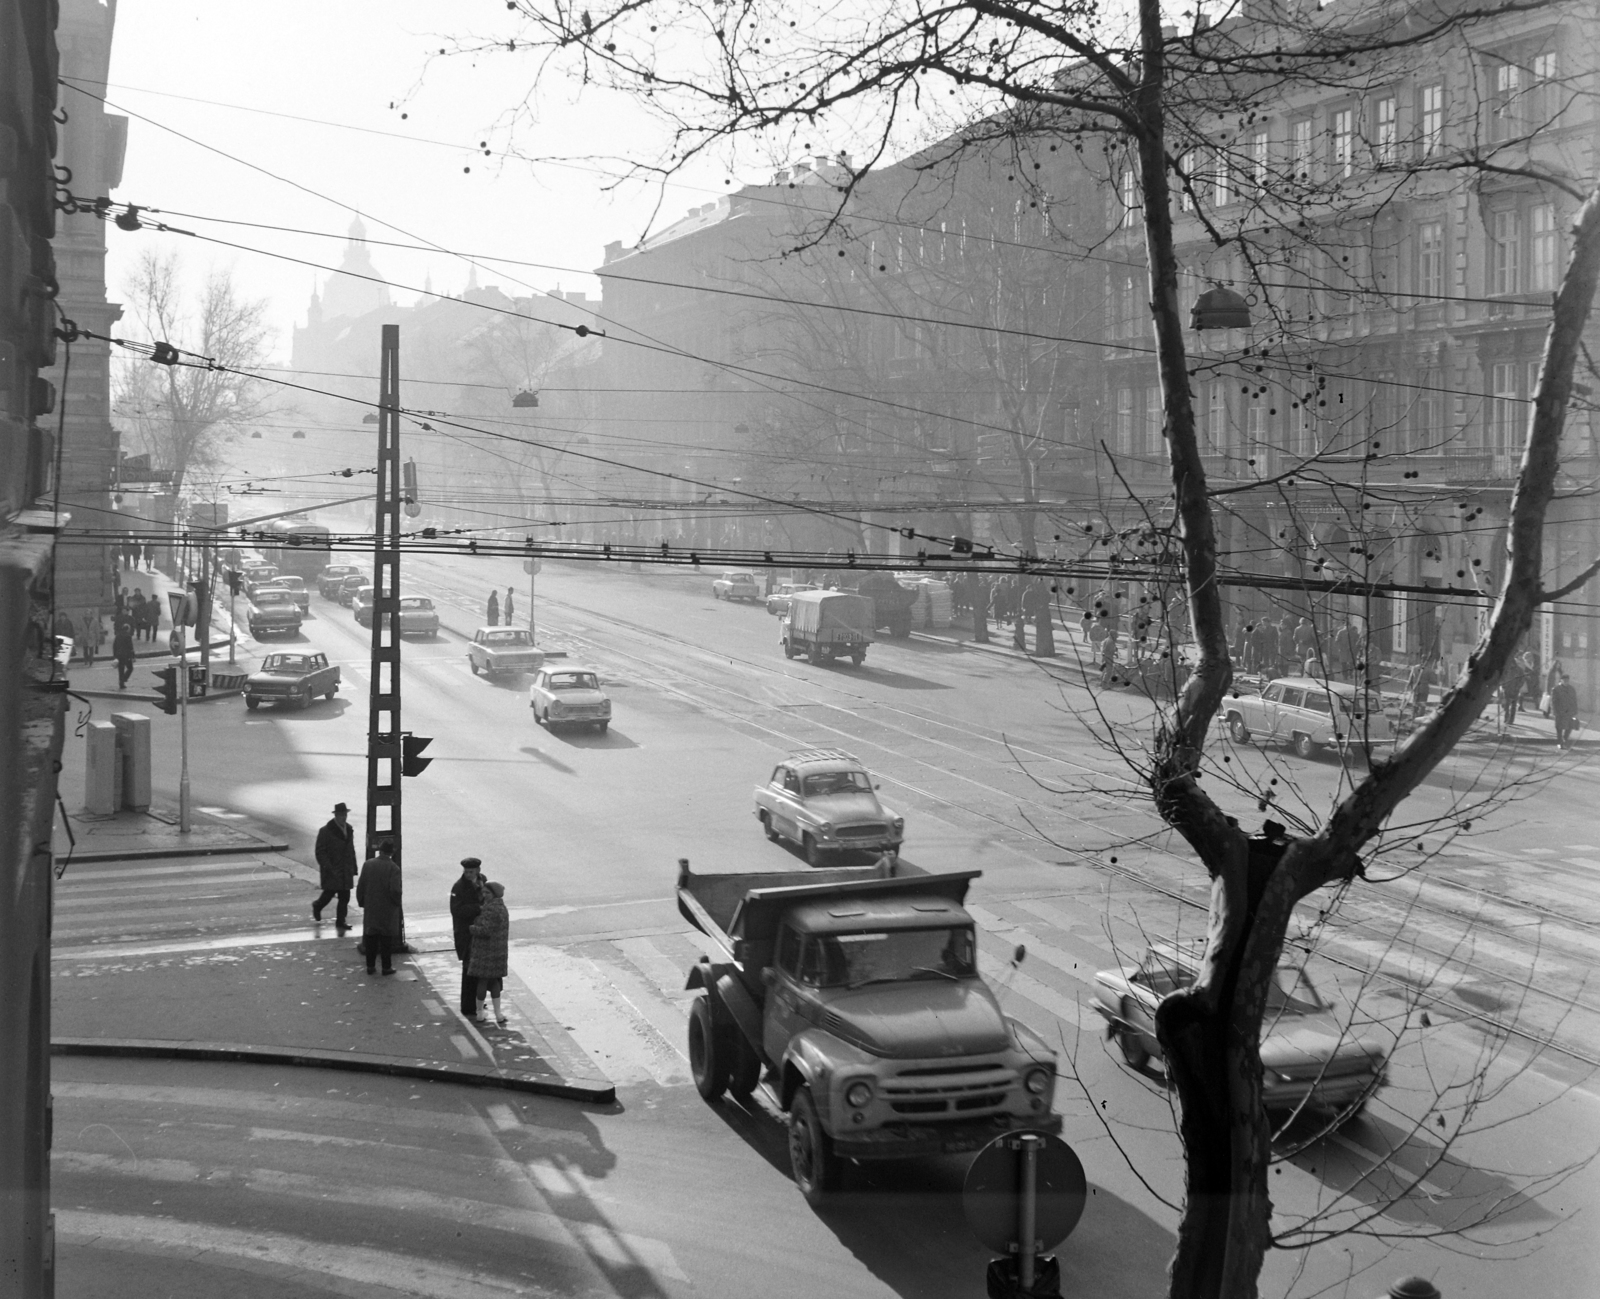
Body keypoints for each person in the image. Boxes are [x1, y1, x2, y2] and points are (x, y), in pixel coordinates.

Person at [355, 840, 403, 975]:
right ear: (392, 852)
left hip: (371, 908)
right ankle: (386, 967)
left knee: (371, 938)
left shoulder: (368, 864)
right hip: (387, 910)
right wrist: (396, 903)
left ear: (380, 850)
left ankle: (370, 966)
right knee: (386, 940)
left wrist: (362, 902)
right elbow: (395, 890)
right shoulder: (394, 868)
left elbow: (361, 885)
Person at [467, 880, 511, 1025]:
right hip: (498, 951)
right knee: (494, 982)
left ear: (495, 894)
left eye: (487, 893)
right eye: (483, 892)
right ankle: (498, 1014)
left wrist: (472, 928)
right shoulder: (501, 908)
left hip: (485, 950)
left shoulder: (490, 909)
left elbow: (485, 930)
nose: (484, 895)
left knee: (482, 981)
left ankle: (480, 1012)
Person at [312, 802, 358, 931]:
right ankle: (318, 905)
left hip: (345, 869)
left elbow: (351, 850)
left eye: (345, 815)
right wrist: (328, 867)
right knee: (329, 894)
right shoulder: (325, 831)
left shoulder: (349, 829)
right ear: (336, 816)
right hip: (332, 869)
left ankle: (341, 921)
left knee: (345, 897)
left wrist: (353, 867)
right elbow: (320, 852)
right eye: (341, 815)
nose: (344, 817)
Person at [450, 857, 485, 1016]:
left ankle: (478, 1002)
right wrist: (478, 908)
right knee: (469, 969)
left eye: (471, 872)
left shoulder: (483, 881)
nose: (468, 874)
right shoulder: (459, 887)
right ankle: (467, 1005)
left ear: (478, 870)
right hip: (466, 933)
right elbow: (456, 910)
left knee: (479, 969)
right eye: (466, 871)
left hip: (479, 931)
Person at [1550, 672, 1579, 749]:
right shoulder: (1556, 689)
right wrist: (1555, 712)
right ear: (1561, 680)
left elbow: (1574, 700)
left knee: (1569, 727)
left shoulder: (1571, 689)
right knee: (1559, 728)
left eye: (1567, 680)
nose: (1566, 682)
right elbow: (1553, 701)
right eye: (1564, 680)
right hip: (1560, 711)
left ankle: (1565, 740)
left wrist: (1575, 710)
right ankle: (1560, 743)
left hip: (1569, 712)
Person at [111, 619, 135, 690]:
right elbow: (130, 647)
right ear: (128, 629)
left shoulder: (118, 636)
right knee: (130, 668)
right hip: (126, 655)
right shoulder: (128, 636)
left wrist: (115, 656)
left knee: (121, 670)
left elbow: (114, 646)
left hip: (119, 655)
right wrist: (133, 656)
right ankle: (124, 678)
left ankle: (121, 683)